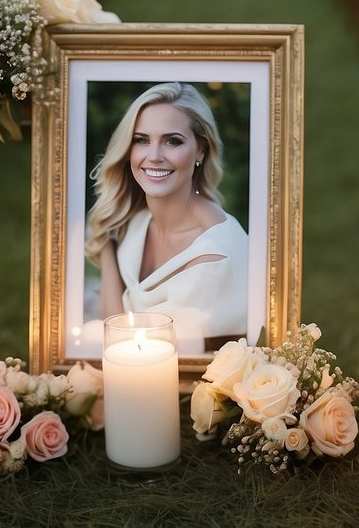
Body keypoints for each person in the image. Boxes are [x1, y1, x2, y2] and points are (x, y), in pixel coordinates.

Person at [85, 82, 249, 351]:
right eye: (141, 140)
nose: (154, 156)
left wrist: (107, 252)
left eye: (172, 141)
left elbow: (128, 347)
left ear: (201, 150)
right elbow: (115, 323)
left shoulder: (215, 258)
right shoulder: (137, 220)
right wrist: (107, 245)